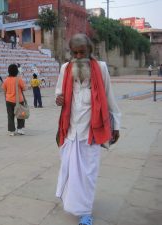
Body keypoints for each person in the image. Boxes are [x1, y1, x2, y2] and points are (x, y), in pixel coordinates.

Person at [55, 33, 121, 225]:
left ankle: (85, 212)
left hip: (91, 131)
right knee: (69, 170)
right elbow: (59, 93)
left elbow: (109, 97)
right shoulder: (65, 68)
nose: (78, 56)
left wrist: (115, 124)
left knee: (88, 174)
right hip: (70, 130)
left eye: (82, 52)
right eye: (74, 53)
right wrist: (58, 99)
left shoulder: (100, 68)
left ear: (90, 50)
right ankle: (72, 202)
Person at [2, 64, 26, 136]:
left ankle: (12, 130)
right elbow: (24, 88)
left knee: (10, 115)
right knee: (20, 115)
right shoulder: (19, 79)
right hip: (19, 100)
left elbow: (4, 90)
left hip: (9, 100)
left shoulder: (6, 80)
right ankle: (20, 129)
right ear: (16, 71)